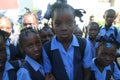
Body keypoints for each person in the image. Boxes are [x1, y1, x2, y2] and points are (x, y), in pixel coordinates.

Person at [43, 3, 92, 80]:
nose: (64, 28)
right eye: (58, 23)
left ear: (74, 23)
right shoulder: (47, 48)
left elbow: (87, 71)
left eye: (69, 22)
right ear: (52, 24)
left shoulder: (84, 44)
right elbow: (49, 74)